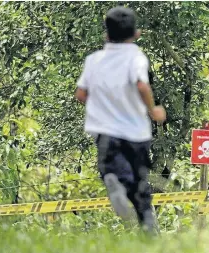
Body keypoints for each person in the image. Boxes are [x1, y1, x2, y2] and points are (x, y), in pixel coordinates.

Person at [74, 6, 166, 235]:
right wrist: (153, 109)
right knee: (140, 184)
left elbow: (81, 94)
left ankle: (114, 181)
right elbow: (142, 85)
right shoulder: (135, 56)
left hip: (105, 132)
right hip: (136, 132)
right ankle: (149, 229)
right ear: (136, 34)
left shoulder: (93, 60)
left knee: (110, 169)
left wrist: (103, 106)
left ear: (106, 34)